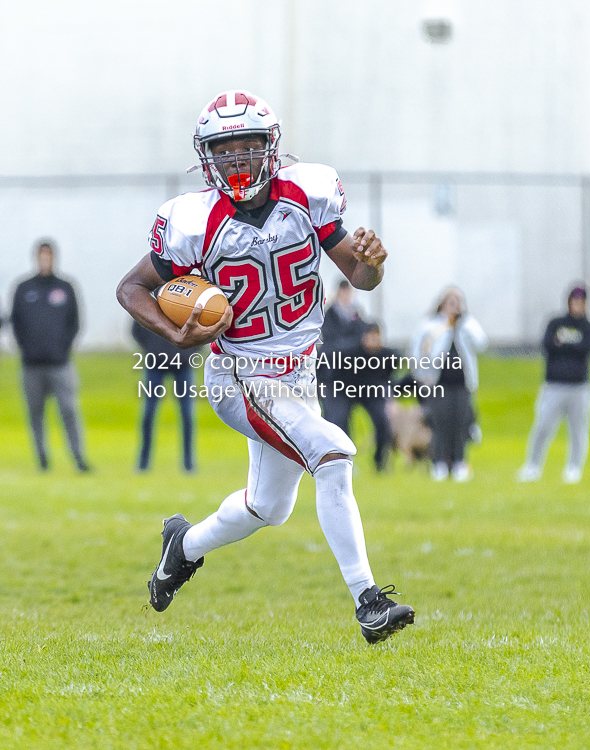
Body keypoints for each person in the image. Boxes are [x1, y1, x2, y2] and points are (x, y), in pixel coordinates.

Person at [117, 89, 414, 643]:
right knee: (332, 453)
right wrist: (175, 333)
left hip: (299, 373)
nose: (236, 160)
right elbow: (131, 287)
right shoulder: (192, 219)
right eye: (224, 150)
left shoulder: (309, 192)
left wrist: (372, 265)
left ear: (270, 147)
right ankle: (368, 601)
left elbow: (361, 276)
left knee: (267, 507)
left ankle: (181, 548)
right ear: (208, 157)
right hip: (241, 377)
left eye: (247, 146)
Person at [11, 240, 90, 472]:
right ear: (36, 258)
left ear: (54, 258)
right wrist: (26, 347)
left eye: (49, 256)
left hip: (60, 363)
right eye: (41, 256)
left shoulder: (65, 287)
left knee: (68, 410)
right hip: (32, 365)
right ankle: (42, 458)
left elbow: (75, 322)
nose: (45, 260)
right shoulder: (24, 288)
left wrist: (63, 347)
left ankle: (78, 457)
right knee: (35, 413)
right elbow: (16, 323)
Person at [518, 285, 590, 484]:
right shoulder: (556, 323)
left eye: (581, 301)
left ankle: (573, 468)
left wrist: (565, 345)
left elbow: (586, 349)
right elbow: (548, 346)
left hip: (579, 387)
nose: (577, 305)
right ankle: (533, 466)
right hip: (554, 385)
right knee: (543, 426)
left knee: (578, 430)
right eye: (574, 300)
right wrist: (570, 347)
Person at [411, 287, 487, 482]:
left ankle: (460, 462)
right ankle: (439, 462)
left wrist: (462, 322)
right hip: (438, 383)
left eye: (458, 302)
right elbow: (418, 351)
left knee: (461, 423)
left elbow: (481, 342)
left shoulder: (467, 325)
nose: (454, 307)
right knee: (440, 423)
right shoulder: (431, 325)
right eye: (450, 302)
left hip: (462, 384)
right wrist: (421, 375)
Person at [132, 321, 198, 473]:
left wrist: (189, 352)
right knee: (148, 413)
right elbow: (136, 329)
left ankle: (189, 464)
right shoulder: (151, 298)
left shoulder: (188, 301)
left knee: (187, 415)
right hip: (155, 364)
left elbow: (201, 329)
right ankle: (143, 463)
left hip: (183, 364)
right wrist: (151, 350)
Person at [331, 323, 397, 471]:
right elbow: (335, 375)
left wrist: (391, 399)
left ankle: (379, 461)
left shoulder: (388, 355)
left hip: (372, 394)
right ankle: (345, 459)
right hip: (346, 390)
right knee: (340, 419)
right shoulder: (349, 354)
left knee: (382, 421)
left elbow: (389, 379)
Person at [318, 279, 368, 423]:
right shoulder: (329, 314)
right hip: (333, 376)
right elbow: (330, 343)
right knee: (336, 418)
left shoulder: (356, 314)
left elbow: (363, 339)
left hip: (353, 376)